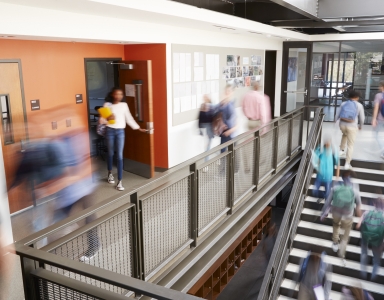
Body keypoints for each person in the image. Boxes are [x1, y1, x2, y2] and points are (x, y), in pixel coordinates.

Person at [100, 88, 147, 191]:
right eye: (116, 94)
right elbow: (101, 120)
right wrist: (107, 118)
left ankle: (120, 181)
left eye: (120, 94)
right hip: (110, 130)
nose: (119, 96)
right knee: (111, 153)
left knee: (120, 155)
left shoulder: (124, 105)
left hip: (120, 131)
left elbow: (129, 118)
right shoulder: (107, 105)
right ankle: (110, 173)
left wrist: (138, 128)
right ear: (112, 94)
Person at [321, 170, 362, 265]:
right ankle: (341, 254)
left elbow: (328, 201)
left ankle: (335, 241)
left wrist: (324, 213)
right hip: (348, 215)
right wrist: (360, 218)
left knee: (336, 225)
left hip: (336, 212)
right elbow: (359, 204)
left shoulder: (335, 186)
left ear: (342, 177)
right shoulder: (354, 187)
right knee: (345, 236)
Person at [335, 90, 365, 169]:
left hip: (342, 125)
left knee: (344, 134)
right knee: (350, 145)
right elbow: (362, 118)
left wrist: (336, 121)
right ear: (357, 97)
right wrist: (360, 126)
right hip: (352, 126)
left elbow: (337, 114)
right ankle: (347, 163)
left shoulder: (343, 104)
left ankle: (341, 150)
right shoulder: (359, 105)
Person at [357, 197, 384, 281]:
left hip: (366, 239)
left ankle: (363, 276)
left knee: (364, 256)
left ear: (374, 204)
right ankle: (372, 279)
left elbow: (358, 225)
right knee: (376, 261)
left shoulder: (367, 212)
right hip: (378, 242)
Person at [312, 138, 340, 203]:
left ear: (330, 142)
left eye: (328, 142)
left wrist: (337, 176)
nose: (327, 144)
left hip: (328, 177)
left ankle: (326, 209)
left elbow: (338, 163)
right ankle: (323, 196)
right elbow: (315, 159)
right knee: (315, 191)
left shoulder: (333, 149)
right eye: (326, 142)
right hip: (319, 176)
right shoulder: (320, 148)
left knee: (327, 195)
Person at [216, 84, 238, 153]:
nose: (227, 93)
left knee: (232, 155)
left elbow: (236, 121)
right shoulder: (222, 104)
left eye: (229, 91)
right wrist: (220, 125)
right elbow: (218, 116)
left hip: (231, 134)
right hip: (224, 133)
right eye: (226, 91)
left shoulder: (232, 104)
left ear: (232, 92)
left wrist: (230, 131)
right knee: (223, 154)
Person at [198, 95, 215, 161]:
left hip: (210, 128)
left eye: (205, 98)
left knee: (208, 145)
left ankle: (207, 161)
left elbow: (213, 117)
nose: (204, 99)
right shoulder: (202, 106)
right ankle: (207, 160)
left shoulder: (211, 106)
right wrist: (199, 129)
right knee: (208, 145)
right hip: (204, 127)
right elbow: (200, 118)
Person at [371, 80, 384, 159]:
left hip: (380, 119)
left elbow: (376, 108)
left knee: (376, 134)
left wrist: (374, 119)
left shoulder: (379, 95)